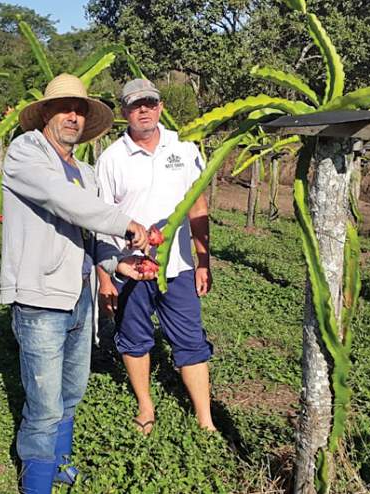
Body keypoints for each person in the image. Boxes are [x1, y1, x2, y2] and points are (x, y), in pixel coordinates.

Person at [0, 73, 154, 493]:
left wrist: (118, 264)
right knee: (45, 405)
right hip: (41, 296)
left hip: (79, 295)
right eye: (64, 107)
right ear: (45, 113)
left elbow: (91, 231)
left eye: (80, 109)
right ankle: (37, 484)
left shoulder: (84, 171)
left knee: (71, 392)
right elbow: (62, 201)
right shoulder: (25, 152)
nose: (73, 115)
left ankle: (59, 464)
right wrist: (127, 223)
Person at [95, 78, 216, 435]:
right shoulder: (111, 159)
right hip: (131, 268)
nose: (144, 110)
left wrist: (203, 260)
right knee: (134, 338)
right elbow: (101, 220)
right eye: (135, 105)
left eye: (150, 102)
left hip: (177, 266)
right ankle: (146, 408)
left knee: (190, 339)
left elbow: (197, 205)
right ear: (124, 112)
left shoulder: (185, 150)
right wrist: (105, 277)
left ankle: (205, 419)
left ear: (161, 107)